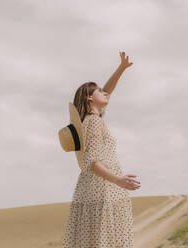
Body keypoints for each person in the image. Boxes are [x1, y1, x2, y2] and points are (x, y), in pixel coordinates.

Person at [62, 51, 141, 247]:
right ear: (90, 98)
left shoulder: (91, 120)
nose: (105, 93)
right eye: (99, 91)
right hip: (103, 188)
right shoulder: (94, 122)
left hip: (93, 189)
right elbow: (91, 162)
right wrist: (119, 180)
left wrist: (121, 68)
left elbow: (108, 90)